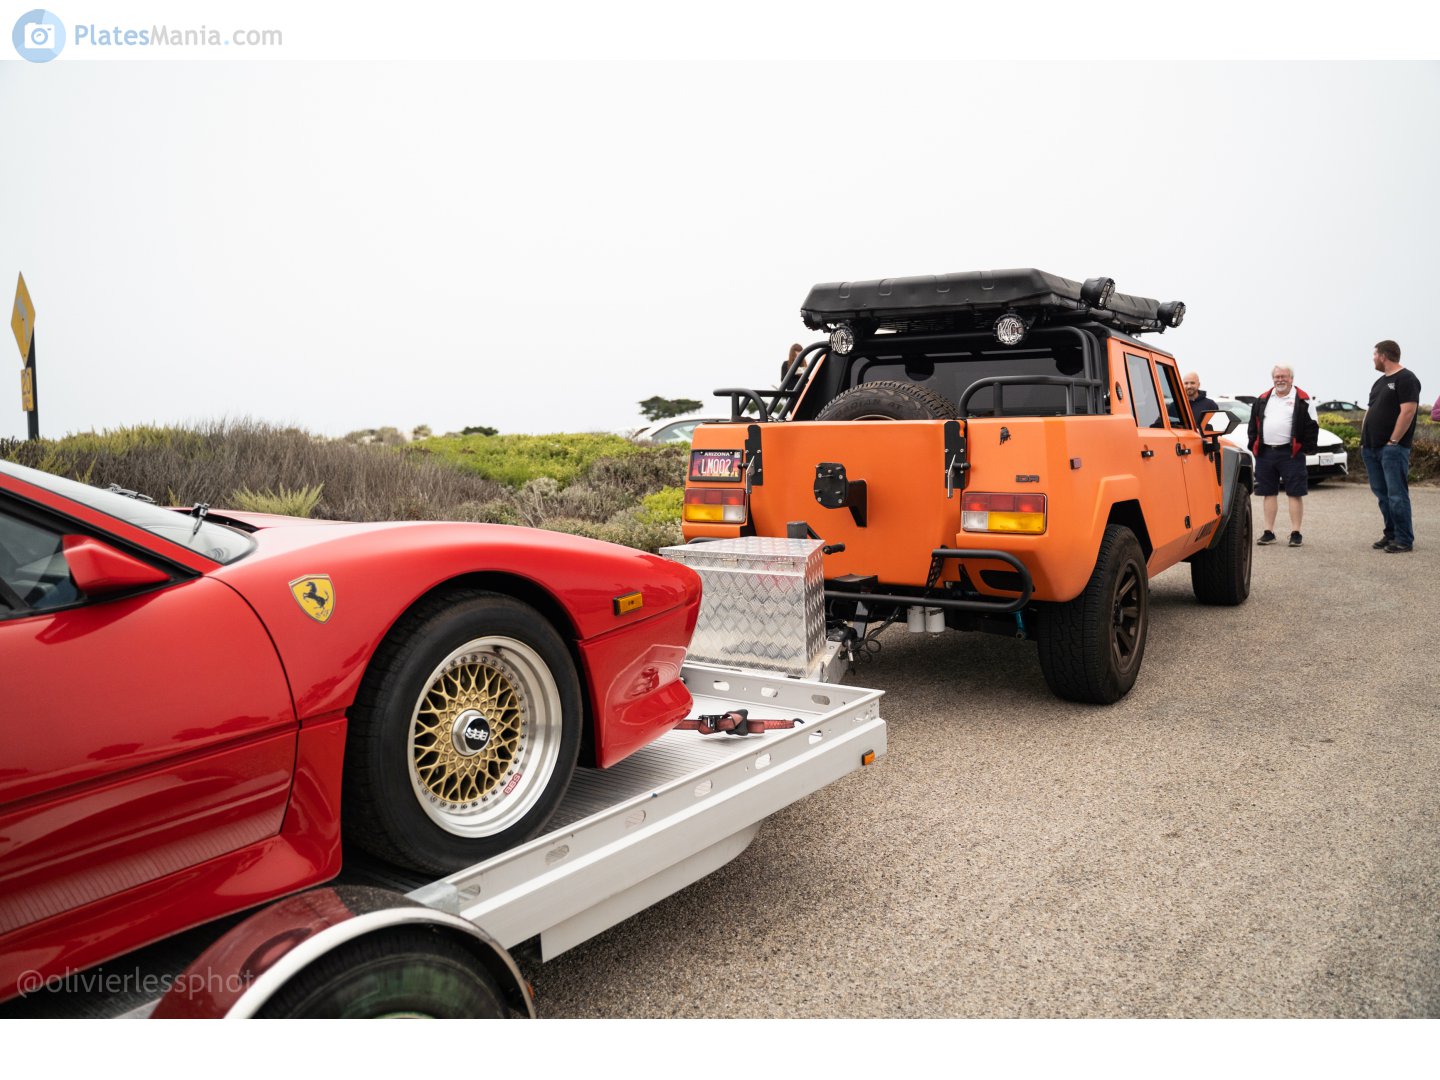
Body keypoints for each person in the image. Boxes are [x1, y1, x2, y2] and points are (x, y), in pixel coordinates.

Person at [1247, 364, 1318, 547]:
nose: (1280, 380)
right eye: (1277, 377)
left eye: (1284, 376)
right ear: (1273, 378)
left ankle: (1296, 532)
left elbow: (1312, 425)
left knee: (1295, 493)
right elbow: (1253, 425)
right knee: (1268, 492)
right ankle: (1268, 532)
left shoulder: (1302, 399)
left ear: (1291, 378)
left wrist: (1308, 448)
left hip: (1291, 453)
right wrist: (1253, 444)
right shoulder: (1263, 399)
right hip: (1265, 453)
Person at [1361, 340, 1421, 553]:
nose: (1373, 359)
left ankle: (1404, 538)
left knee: (1397, 494)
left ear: (1383, 356)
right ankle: (1391, 534)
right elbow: (1371, 410)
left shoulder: (1406, 379)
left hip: (1392, 449)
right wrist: (1364, 439)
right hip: (1371, 447)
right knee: (1383, 495)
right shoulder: (1379, 382)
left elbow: (1408, 411)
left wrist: (1393, 441)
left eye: (1374, 354)